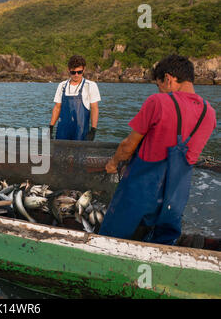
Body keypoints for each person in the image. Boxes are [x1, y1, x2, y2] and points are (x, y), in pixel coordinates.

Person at [99, 55, 216, 245]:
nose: (160, 90)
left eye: (159, 85)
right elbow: (189, 154)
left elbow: (128, 146)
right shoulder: (209, 113)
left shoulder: (158, 102)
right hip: (175, 197)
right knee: (163, 244)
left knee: (110, 240)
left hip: (141, 190)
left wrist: (112, 163)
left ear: (168, 79)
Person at [49, 55, 101, 141]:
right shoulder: (62, 85)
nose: (76, 75)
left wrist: (93, 130)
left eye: (79, 72)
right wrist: (50, 128)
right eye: (73, 72)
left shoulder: (90, 85)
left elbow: (94, 108)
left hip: (80, 132)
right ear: (68, 70)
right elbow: (57, 107)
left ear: (84, 70)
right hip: (62, 131)